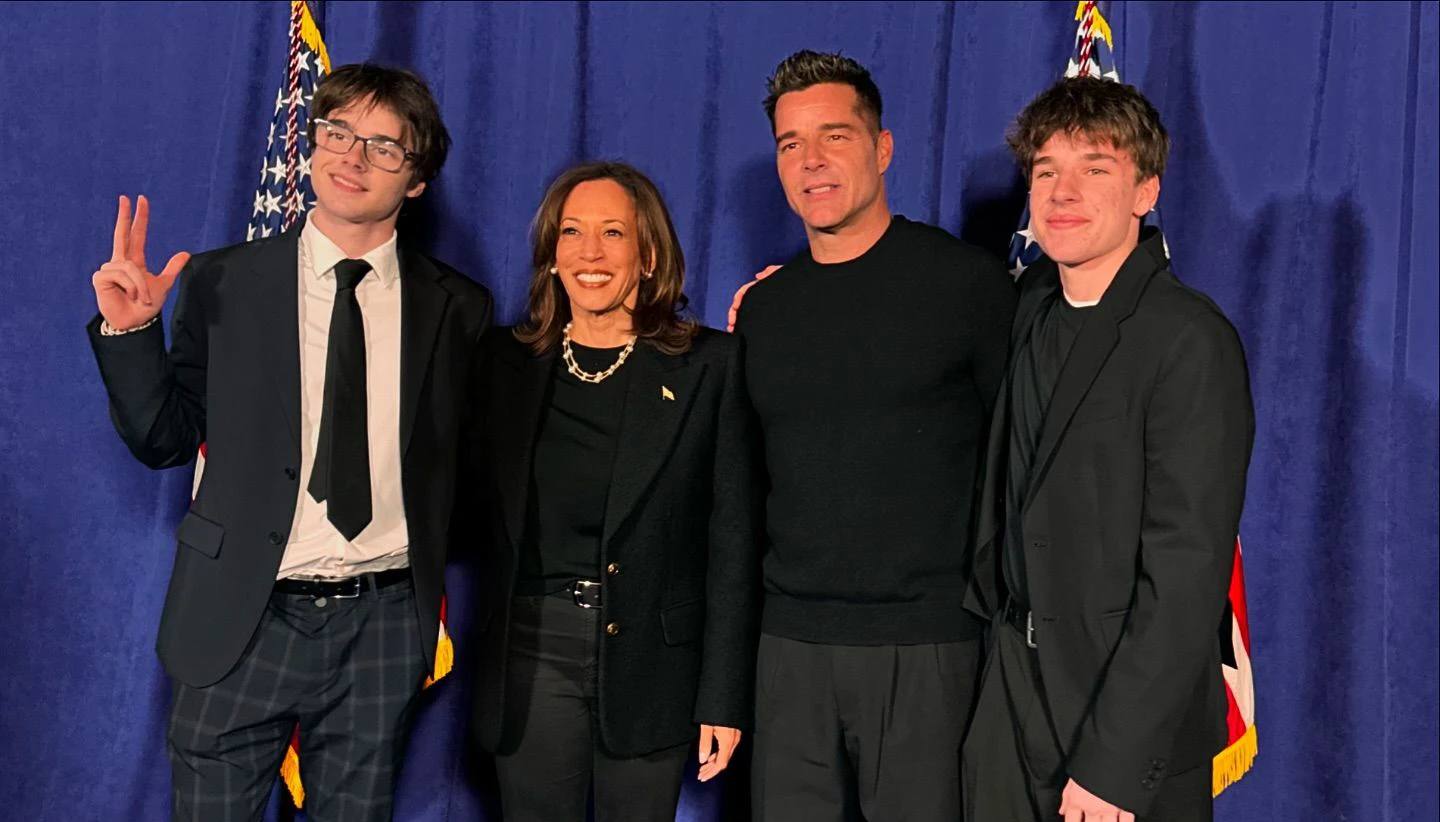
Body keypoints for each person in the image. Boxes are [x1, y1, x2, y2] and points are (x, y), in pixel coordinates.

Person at [86, 64, 492, 821]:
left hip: (381, 623)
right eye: (337, 132)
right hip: (241, 616)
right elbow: (165, 440)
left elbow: (465, 465)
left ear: (416, 180)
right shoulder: (221, 282)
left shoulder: (458, 307)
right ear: (312, 144)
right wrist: (131, 332)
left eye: (383, 146)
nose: (352, 157)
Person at [729, 50, 1017, 820]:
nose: (811, 161)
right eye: (791, 144)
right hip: (788, 650)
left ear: (882, 148)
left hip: (927, 648)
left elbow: (1022, 468)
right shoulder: (764, 312)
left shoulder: (969, 286)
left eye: (835, 136)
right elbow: (742, 496)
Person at [961, 76, 1255, 822]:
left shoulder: (1189, 339)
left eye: (1095, 169)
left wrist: (1114, 765)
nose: (1063, 193)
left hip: (1116, 728)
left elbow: (1186, 577)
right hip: (1010, 703)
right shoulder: (1029, 303)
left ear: (1145, 191)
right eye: (1045, 171)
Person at [464, 161, 761, 822]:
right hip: (534, 651)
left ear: (649, 256)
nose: (590, 253)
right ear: (551, 255)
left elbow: (733, 544)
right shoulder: (504, 364)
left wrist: (723, 696)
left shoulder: (711, 367)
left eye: (613, 233)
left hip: (653, 662)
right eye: (571, 232)